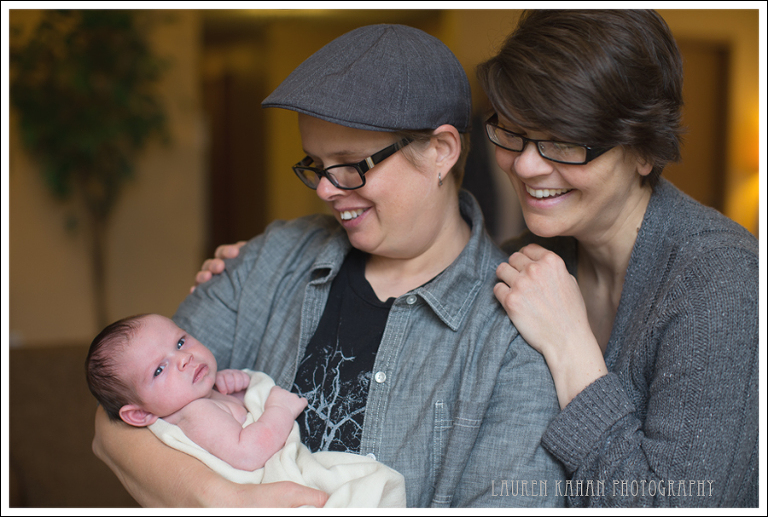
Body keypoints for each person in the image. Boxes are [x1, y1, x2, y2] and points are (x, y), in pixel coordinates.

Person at [92, 24, 565, 508]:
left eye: (351, 164)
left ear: (441, 151)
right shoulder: (273, 259)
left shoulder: (515, 325)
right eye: (316, 165)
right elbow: (116, 424)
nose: (324, 189)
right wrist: (230, 501)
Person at [476, 9, 759, 507]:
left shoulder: (721, 280)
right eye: (512, 132)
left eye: (564, 141)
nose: (525, 164)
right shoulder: (524, 261)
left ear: (644, 151)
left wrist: (569, 345)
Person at [86, 313, 406, 507]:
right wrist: (278, 409)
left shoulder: (197, 400)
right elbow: (248, 452)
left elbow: (231, 417)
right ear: (139, 415)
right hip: (272, 488)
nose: (183, 358)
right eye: (159, 369)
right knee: (368, 484)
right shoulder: (195, 413)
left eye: (180, 342)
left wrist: (229, 387)